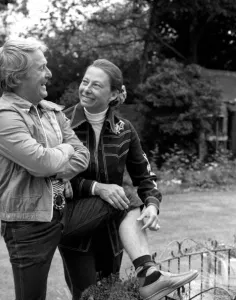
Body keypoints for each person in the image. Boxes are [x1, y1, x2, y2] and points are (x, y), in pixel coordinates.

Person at [0, 39, 129, 300]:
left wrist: (53, 162)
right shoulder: (3, 116)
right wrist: (62, 152)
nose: (49, 74)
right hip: (27, 226)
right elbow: (43, 163)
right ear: (18, 77)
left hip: (63, 213)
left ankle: (148, 270)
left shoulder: (50, 111)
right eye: (41, 68)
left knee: (124, 198)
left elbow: (82, 156)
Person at [59, 59, 198, 300]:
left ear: (113, 93)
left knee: (110, 295)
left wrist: (152, 204)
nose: (86, 89)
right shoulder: (60, 124)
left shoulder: (125, 129)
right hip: (77, 232)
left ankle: (148, 273)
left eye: (96, 85)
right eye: (85, 82)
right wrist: (96, 187)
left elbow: (145, 176)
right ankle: (148, 273)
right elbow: (52, 177)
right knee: (88, 297)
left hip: (113, 233)